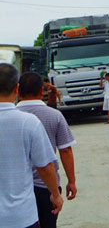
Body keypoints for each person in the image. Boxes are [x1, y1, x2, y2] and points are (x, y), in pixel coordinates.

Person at [0, 63, 63, 228]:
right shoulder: (28, 122)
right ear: (16, 89)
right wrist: (55, 195)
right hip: (21, 216)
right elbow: (45, 167)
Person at [17, 72, 77, 228]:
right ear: (41, 91)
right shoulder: (55, 116)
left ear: (18, 91)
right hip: (47, 187)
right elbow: (65, 150)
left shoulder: (11, 116)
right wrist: (71, 181)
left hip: (17, 188)